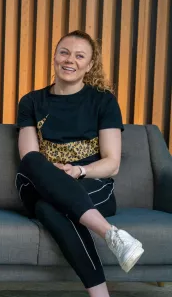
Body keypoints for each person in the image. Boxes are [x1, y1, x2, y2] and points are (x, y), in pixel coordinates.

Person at [15, 30, 144, 297]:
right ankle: (111, 234)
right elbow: (28, 156)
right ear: (54, 57)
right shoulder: (31, 101)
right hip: (40, 181)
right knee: (32, 161)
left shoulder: (103, 101)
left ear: (89, 64)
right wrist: (56, 173)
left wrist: (79, 170)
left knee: (49, 209)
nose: (69, 60)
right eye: (64, 52)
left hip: (90, 185)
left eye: (79, 55)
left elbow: (112, 163)